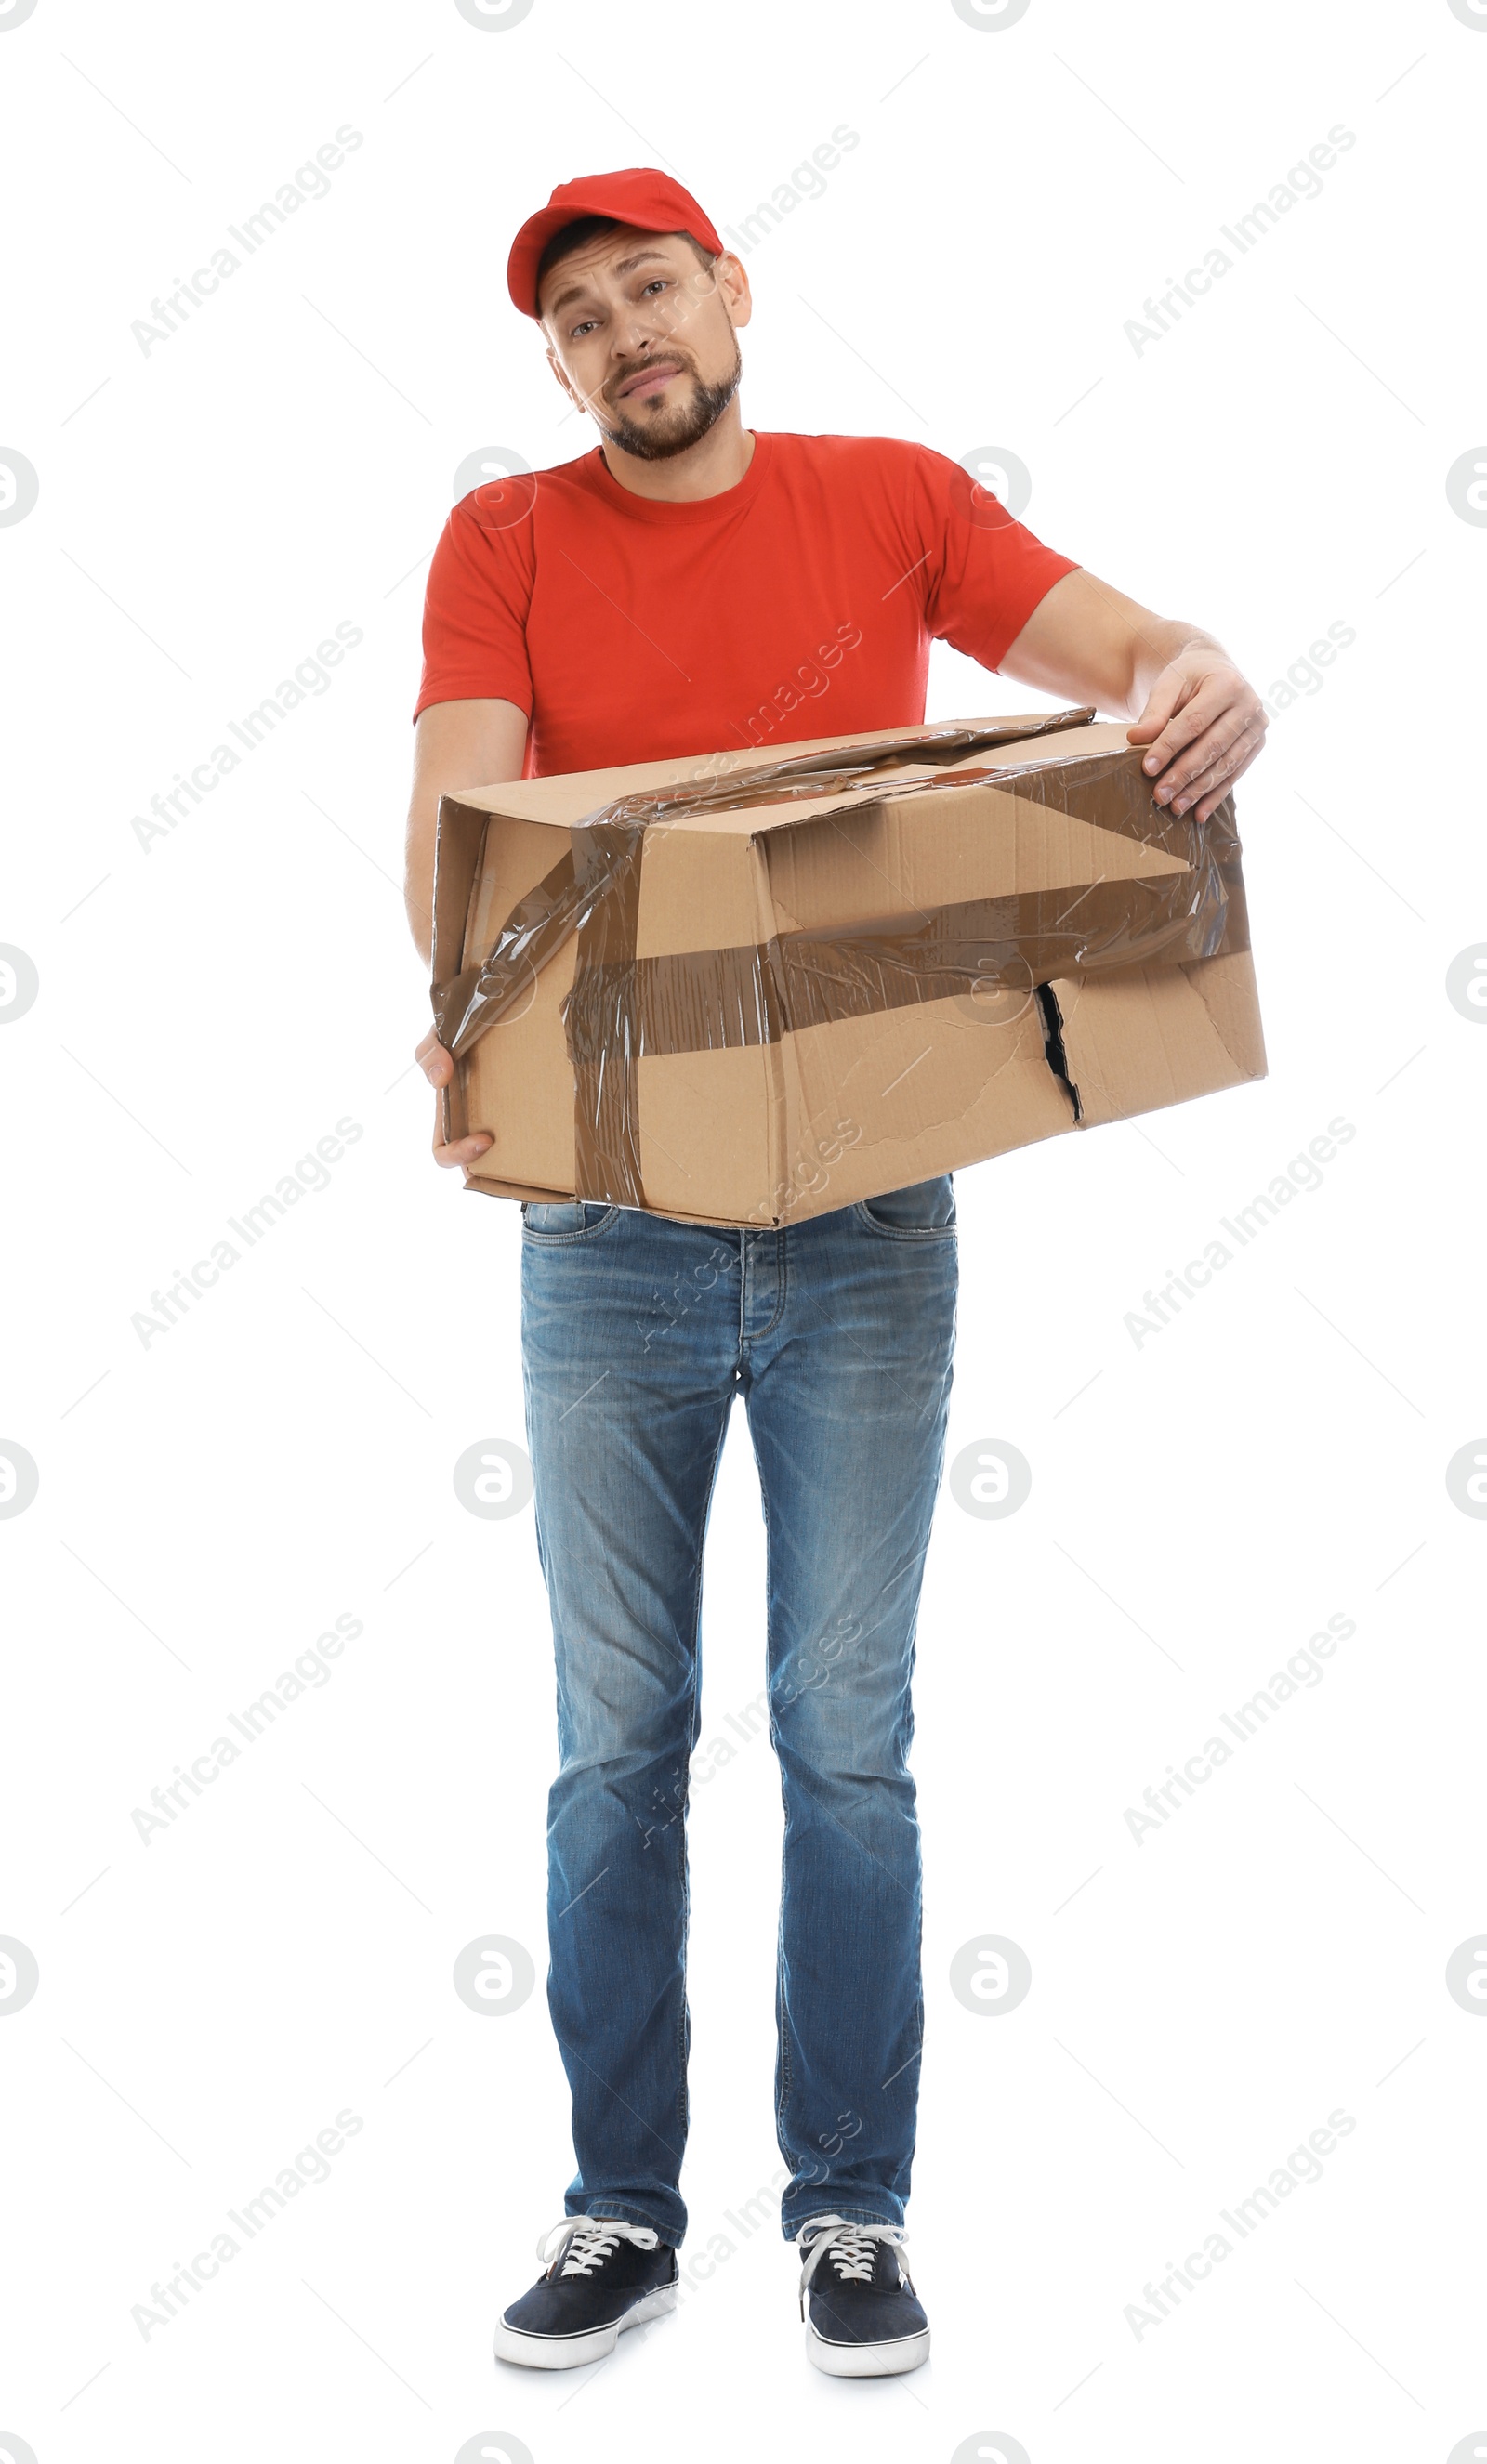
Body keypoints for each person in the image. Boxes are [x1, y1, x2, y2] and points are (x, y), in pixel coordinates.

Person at [404, 167, 1267, 2379]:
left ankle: (848, 2214)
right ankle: (618, 2209)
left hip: (869, 1230)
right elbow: (462, 850)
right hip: (603, 1229)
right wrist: (483, 982)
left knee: (843, 1741)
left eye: (650, 288)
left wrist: (1196, 680)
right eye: (579, 318)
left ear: (730, 294)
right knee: (617, 1744)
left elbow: (1128, 656)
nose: (623, 336)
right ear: (561, 367)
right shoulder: (500, 541)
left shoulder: (888, 502)